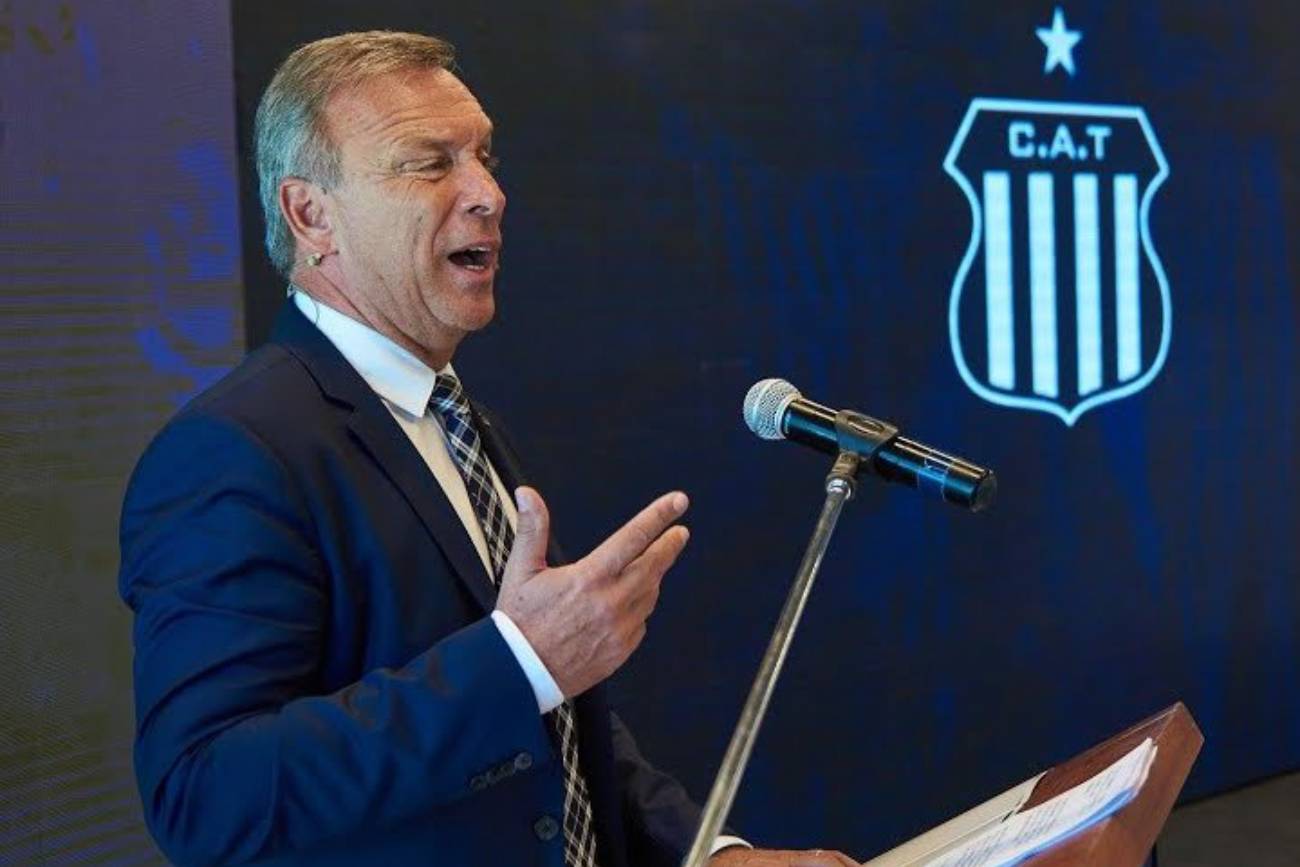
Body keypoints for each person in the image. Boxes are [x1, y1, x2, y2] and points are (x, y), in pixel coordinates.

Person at [118, 30, 857, 867]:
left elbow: (555, 726)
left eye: (484, 157)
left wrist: (709, 853)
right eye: (429, 163)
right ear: (310, 215)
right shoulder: (234, 450)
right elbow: (205, 793)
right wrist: (516, 662)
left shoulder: (459, 419)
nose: (489, 194)